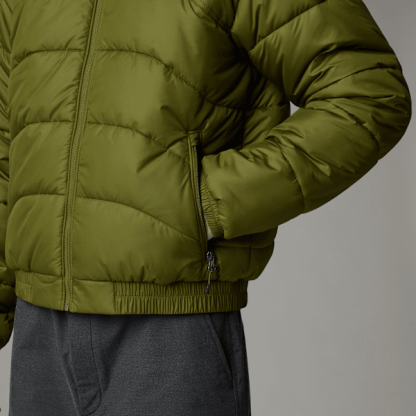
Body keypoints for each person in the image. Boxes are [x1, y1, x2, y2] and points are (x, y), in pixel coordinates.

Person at [0, 0, 412, 414]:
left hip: (171, 324)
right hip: (39, 334)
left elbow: (370, 92)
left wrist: (206, 204)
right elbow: (7, 142)